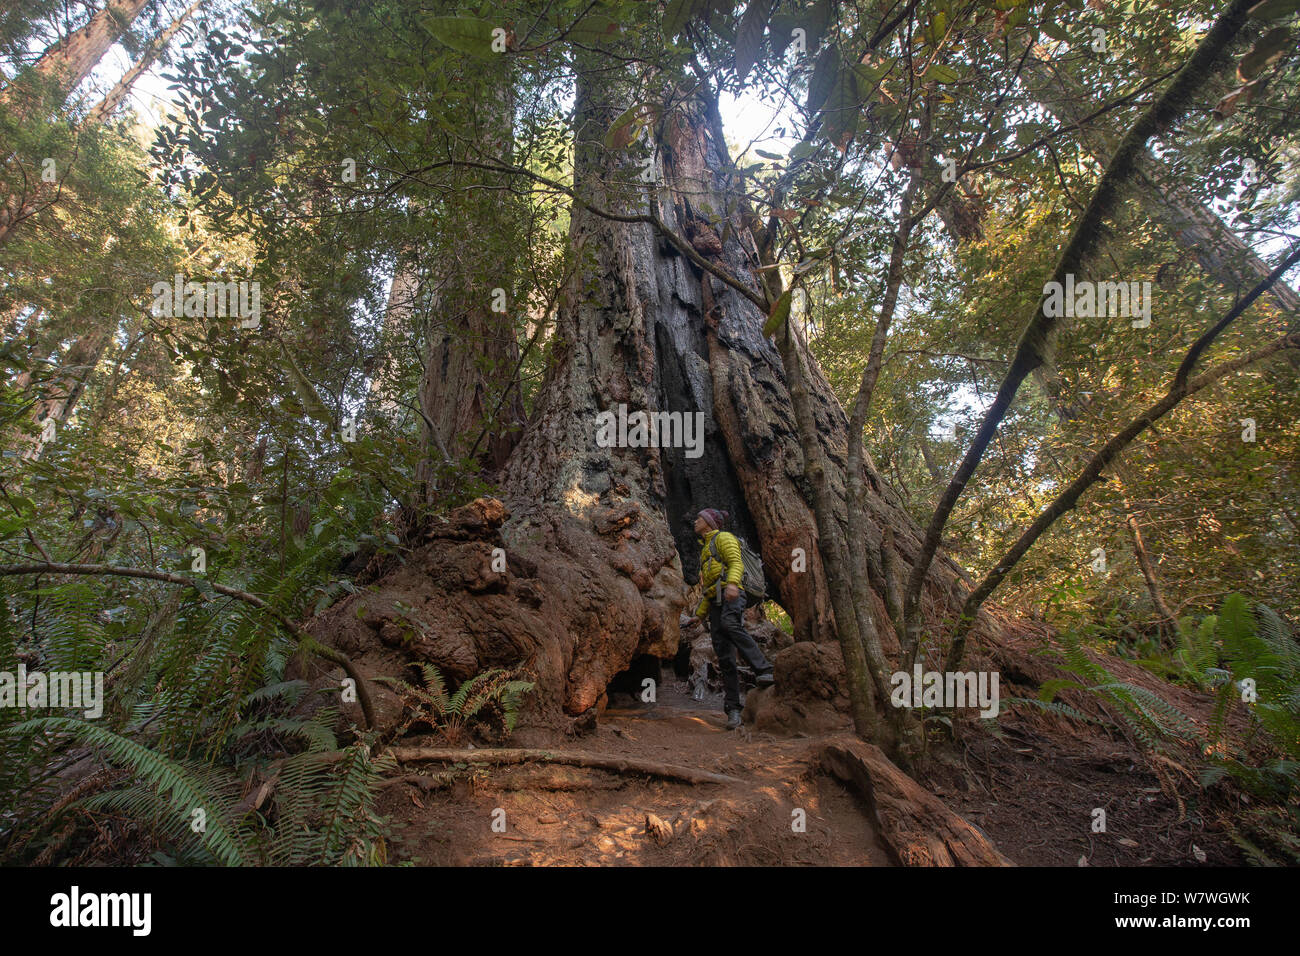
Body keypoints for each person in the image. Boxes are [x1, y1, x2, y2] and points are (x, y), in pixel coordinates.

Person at [692, 508, 774, 729]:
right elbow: (709, 589)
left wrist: (732, 584)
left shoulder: (724, 538)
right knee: (724, 655)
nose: (695, 521)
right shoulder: (706, 549)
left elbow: (736, 563)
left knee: (731, 624)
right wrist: (698, 616)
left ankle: (764, 669)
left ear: (709, 523)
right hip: (717, 601)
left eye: (699, 518)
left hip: (733, 594)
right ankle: (733, 710)